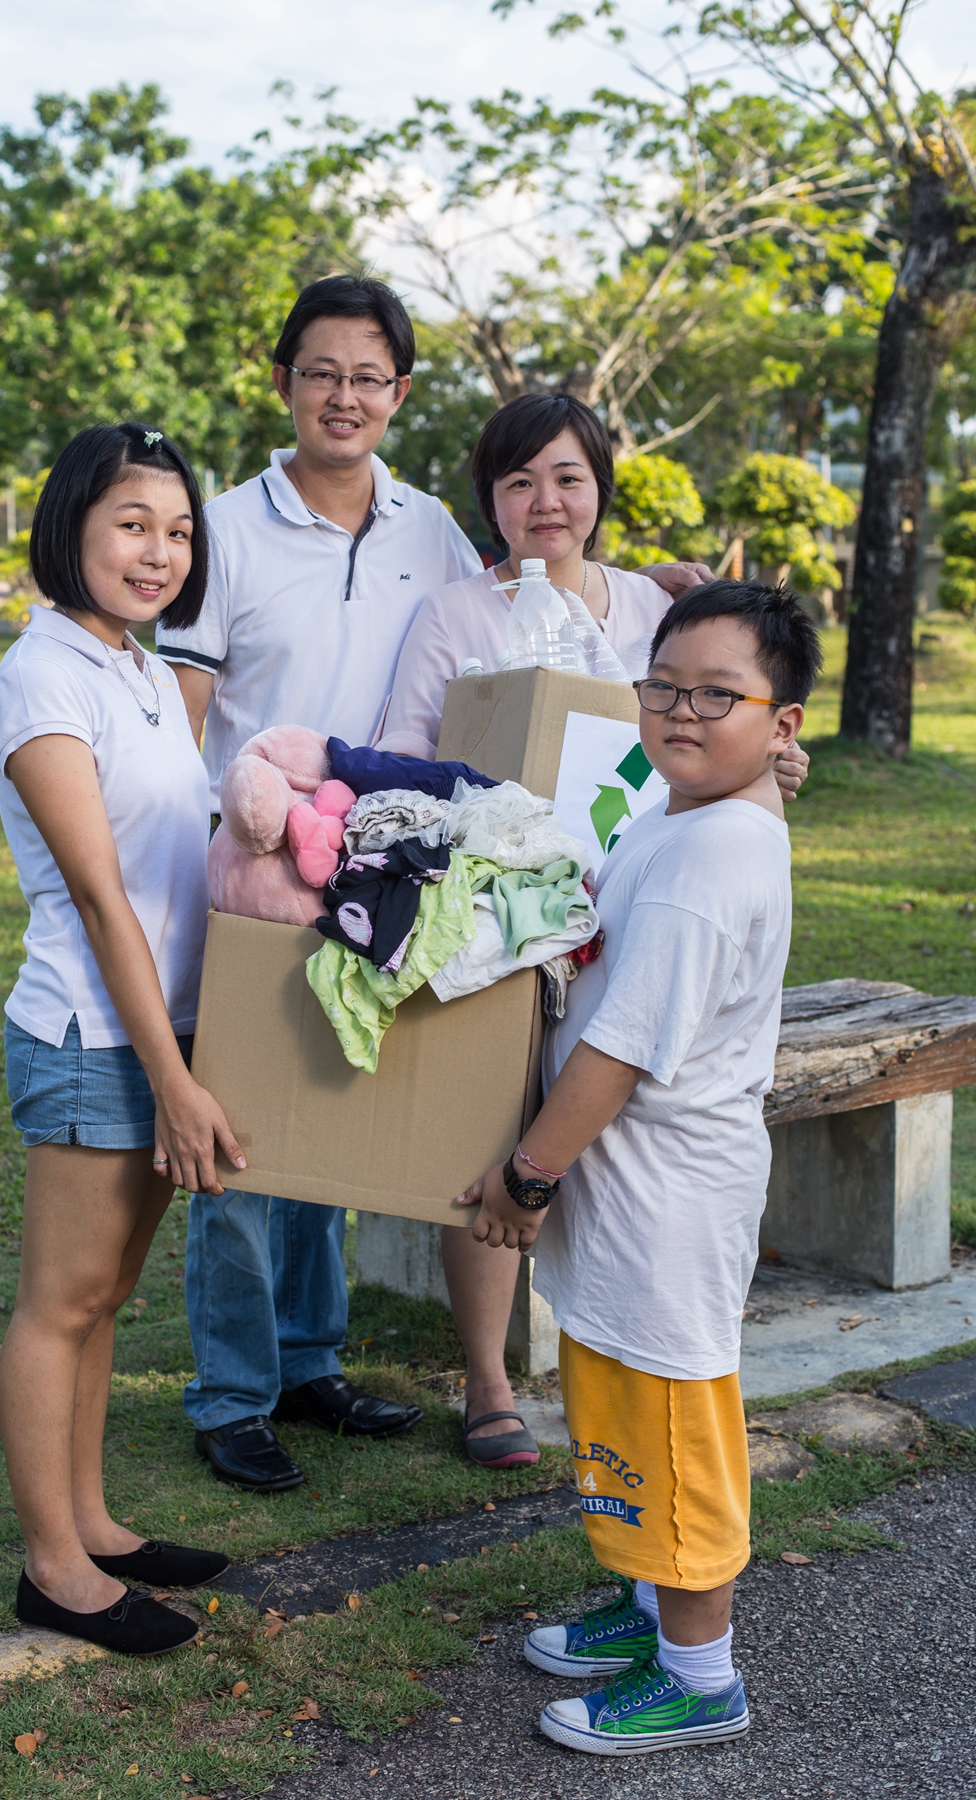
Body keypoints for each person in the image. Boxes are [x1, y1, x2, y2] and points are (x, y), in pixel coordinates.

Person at [156, 277, 711, 1491]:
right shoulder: (225, 529)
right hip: (255, 859)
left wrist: (665, 582)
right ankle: (236, 1393)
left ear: (399, 393)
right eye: (322, 372)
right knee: (246, 1132)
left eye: (368, 377)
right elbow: (182, 715)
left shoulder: (425, 532)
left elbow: (539, 606)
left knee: (325, 1100)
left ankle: (309, 1364)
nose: (344, 396)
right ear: (285, 381)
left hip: (381, 867)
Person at [379, 394, 810, 1470]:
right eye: (519, 480)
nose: (545, 501)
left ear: (601, 493)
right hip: (497, 915)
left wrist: (772, 768)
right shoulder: (456, 614)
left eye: (567, 477)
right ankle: (490, 1380)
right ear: (489, 499)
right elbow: (402, 756)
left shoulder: (656, 610)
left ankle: (671, 1586)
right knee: (490, 1129)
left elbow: (729, 726)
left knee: (600, 1123)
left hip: (631, 907)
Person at [457, 579, 821, 1755]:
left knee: (672, 1427)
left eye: (721, 694)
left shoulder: (717, 855)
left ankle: (701, 1676)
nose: (682, 710)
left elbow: (618, 1050)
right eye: (665, 685)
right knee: (615, 1414)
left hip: (667, 1205)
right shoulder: (679, 812)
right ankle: (647, 1605)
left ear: (782, 721)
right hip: (627, 1206)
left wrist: (525, 1179)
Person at [0, 422, 243, 1656]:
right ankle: (52, 1569)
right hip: (97, 1036)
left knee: (109, 1294)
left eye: (178, 530)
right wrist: (174, 1080)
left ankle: (93, 1522)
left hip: (164, 1031)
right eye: (133, 524)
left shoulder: (135, 664)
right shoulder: (43, 675)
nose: (159, 551)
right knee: (62, 1301)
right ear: (73, 527)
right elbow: (100, 897)